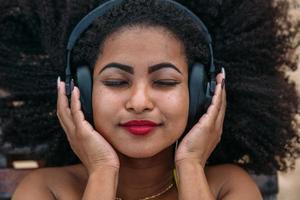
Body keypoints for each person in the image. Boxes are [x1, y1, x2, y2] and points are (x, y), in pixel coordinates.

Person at [0, 0, 299, 199]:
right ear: (81, 91)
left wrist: (191, 166)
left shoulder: (227, 186)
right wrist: (102, 171)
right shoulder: (46, 190)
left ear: (201, 93)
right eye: (116, 82)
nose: (139, 101)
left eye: (165, 82)